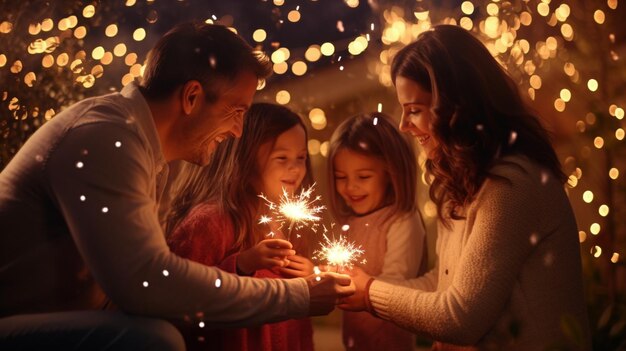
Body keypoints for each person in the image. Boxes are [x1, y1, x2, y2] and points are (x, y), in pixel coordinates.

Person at [0, 21, 353, 350]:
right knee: (152, 339)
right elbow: (147, 282)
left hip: (53, 318)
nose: (237, 132)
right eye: (236, 111)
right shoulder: (106, 140)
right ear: (192, 97)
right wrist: (295, 296)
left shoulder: (141, 149)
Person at [339, 25, 591, 351]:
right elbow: (446, 283)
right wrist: (360, 283)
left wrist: (370, 292)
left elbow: (460, 318)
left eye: (414, 110)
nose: (404, 125)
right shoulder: (461, 182)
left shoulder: (511, 185)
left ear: (456, 107)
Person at [166, 103, 316, 350]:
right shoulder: (210, 223)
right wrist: (241, 265)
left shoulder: (290, 226)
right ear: (245, 159)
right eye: (282, 158)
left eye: (301, 158)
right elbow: (179, 299)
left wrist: (312, 277)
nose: (296, 169)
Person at [327, 112, 427, 351]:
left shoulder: (401, 220)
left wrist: (354, 285)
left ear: (391, 174)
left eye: (363, 176)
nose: (350, 187)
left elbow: (396, 287)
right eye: (341, 177)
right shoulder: (350, 222)